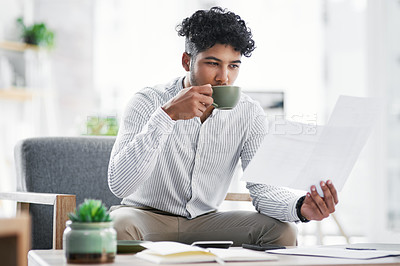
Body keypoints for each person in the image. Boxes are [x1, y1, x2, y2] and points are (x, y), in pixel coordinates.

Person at [108, 6, 338, 246]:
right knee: (117, 226)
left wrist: (300, 207)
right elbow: (120, 185)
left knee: (283, 232)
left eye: (233, 66)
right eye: (213, 63)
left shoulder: (249, 113)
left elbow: (262, 189)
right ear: (187, 61)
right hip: (145, 217)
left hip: (205, 222)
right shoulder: (148, 101)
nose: (223, 77)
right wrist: (168, 116)